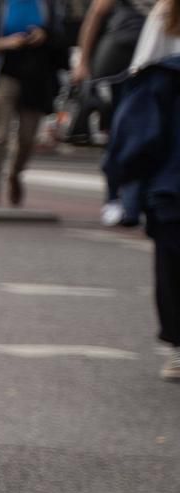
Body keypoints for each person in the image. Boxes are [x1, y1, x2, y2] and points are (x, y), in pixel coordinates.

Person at [103, 0, 180, 380]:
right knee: (171, 259)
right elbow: (143, 87)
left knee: (171, 259)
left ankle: (178, 345)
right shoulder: (166, 13)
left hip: (169, 167)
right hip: (172, 161)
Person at [0, 0, 68, 207]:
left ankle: (15, 174)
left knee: (27, 138)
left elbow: (61, 39)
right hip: (6, 75)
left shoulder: (48, 6)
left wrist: (45, 35)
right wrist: (6, 43)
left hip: (36, 79)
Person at [73, 0, 158, 224]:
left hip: (153, 63)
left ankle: (134, 200)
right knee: (123, 134)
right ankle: (117, 199)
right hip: (121, 64)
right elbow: (95, 15)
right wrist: (83, 62)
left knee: (150, 136)